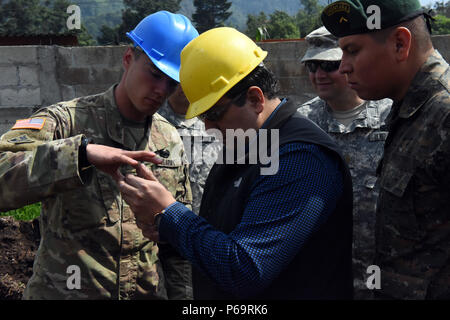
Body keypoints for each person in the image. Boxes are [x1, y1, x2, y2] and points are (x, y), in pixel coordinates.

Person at [115, 27, 354, 299]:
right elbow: (224, 237)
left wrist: (170, 212)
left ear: (255, 99)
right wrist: (170, 233)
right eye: (204, 116)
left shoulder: (301, 158)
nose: (208, 128)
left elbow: (244, 270)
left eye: (215, 113)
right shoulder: (245, 146)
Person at [0, 11, 198, 300]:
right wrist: (79, 155)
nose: (160, 90)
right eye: (154, 74)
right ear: (128, 59)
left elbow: (176, 243)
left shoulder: (169, 139)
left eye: (171, 83)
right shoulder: (64, 121)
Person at [322, 0, 450, 299]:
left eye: (352, 50)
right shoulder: (411, 110)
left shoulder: (443, 115)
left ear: (400, 44)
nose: (342, 67)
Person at [297, 26, 392, 299]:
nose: (318, 75)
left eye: (328, 65)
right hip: (322, 269)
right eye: (312, 66)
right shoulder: (302, 123)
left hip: (380, 269)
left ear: (349, 64)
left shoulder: (391, 115)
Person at [158, 85, 220, 214]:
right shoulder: (152, 123)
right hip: (158, 224)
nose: (186, 84)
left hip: (205, 227)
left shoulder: (216, 127)